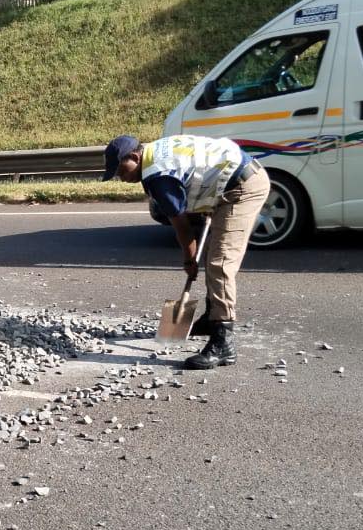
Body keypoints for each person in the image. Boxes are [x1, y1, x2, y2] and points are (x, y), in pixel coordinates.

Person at [104, 134, 271, 370]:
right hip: (228, 181)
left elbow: (182, 226)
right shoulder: (153, 153)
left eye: (121, 170)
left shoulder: (158, 176)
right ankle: (210, 317)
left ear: (133, 156)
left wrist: (189, 259)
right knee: (213, 253)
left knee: (219, 263)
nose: (121, 178)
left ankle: (223, 342)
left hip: (243, 187)